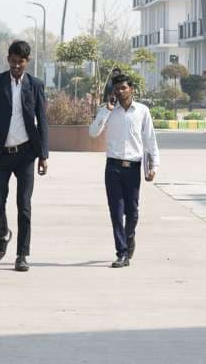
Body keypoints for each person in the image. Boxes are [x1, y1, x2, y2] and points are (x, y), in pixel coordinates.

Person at [0, 41, 48, 272]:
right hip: (1, 153)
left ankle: (22, 254)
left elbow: (42, 120)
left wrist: (43, 155)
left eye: (21, 62)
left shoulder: (35, 85)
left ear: (28, 62)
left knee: (24, 205)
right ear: (8, 59)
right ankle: (3, 233)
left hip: (26, 154)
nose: (17, 66)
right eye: (13, 61)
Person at [88, 73, 159, 268]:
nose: (120, 92)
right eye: (117, 88)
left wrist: (154, 166)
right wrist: (106, 110)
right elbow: (93, 133)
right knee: (116, 212)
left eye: (123, 88)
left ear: (131, 89)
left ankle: (129, 237)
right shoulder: (108, 110)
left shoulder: (142, 111)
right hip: (113, 167)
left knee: (132, 212)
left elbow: (150, 140)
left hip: (133, 167)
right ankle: (121, 252)